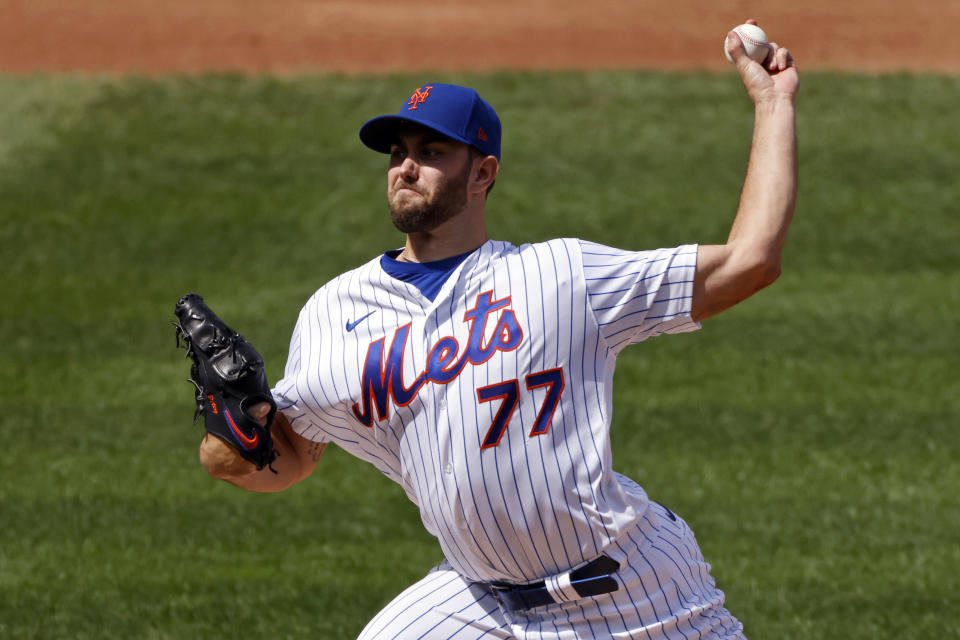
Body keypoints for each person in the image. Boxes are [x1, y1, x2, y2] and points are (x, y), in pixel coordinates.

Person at [198, 20, 798, 639]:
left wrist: (773, 103)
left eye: (431, 153)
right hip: (482, 599)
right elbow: (286, 460)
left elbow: (752, 260)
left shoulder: (561, 276)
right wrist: (231, 429)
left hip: (632, 591)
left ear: (482, 174)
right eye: (398, 152)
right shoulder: (333, 311)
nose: (406, 167)